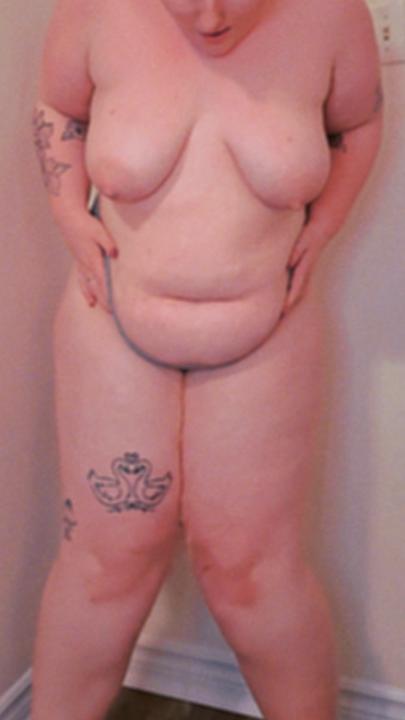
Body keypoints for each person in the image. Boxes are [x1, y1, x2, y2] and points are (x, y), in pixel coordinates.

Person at [31, 1, 382, 718]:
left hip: (266, 333)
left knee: (252, 573)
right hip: (113, 324)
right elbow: (58, 106)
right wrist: (67, 209)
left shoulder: (333, 14)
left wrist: (324, 226)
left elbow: (358, 122)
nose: (212, 18)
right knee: (105, 565)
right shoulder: (92, 8)